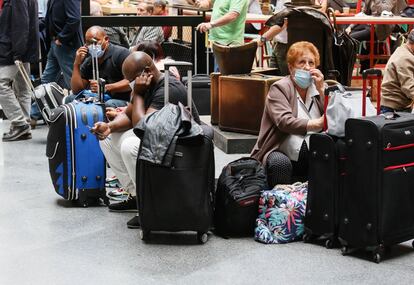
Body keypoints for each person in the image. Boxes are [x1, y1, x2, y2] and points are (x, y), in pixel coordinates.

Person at [91, 51, 200, 228]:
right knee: (107, 139)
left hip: (181, 145)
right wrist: (109, 127)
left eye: (132, 80)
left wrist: (139, 94)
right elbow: (128, 115)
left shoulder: (168, 89)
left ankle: (152, 206)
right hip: (161, 140)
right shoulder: (144, 85)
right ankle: (138, 197)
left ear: (147, 71)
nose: (130, 84)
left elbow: (144, 127)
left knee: (130, 146)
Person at [251, 41, 325, 187]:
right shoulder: (279, 88)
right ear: (291, 67)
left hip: (314, 148)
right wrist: (317, 123)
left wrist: (322, 91)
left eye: (311, 63)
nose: (307, 67)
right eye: (301, 62)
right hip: (280, 147)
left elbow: (334, 116)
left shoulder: (320, 87)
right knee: (280, 164)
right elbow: (284, 122)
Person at [0, 0, 38, 142]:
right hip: (21, 49)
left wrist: (18, 53)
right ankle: (24, 124)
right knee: (22, 88)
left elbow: (21, 25)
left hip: (13, 50)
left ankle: (19, 123)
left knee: (1, 84)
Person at [70, 26, 131, 108]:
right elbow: (76, 90)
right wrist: (77, 64)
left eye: (95, 41)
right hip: (101, 98)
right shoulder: (90, 61)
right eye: (88, 43)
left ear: (106, 39)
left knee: (108, 104)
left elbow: (132, 82)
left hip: (122, 99)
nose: (92, 46)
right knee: (71, 99)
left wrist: (105, 88)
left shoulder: (121, 54)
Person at [345, 0, 407, 72]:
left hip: (383, 27)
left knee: (351, 38)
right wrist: (350, 26)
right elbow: (364, 13)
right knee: (346, 36)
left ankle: (347, 69)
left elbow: (384, 10)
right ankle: (345, 67)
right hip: (369, 24)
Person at [40, 0, 83, 89]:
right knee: (46, 80)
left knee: (72, 83)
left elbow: (74, 19)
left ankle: (79, 102)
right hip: (56, 43)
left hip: (66, 45)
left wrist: (62, 38)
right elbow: (49, 18)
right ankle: (43, 102)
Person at [380, 29, 414, 113]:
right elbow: (409, 88)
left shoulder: (403, 50)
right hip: (394, 108)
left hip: (396, 105)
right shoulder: (405, 58)